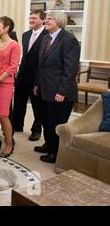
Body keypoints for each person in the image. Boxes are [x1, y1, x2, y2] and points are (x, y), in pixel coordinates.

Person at [33, 10, 80, 163]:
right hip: (44, 88)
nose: (45, 21)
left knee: (56, 123)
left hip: (59, 91)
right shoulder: (46, 38)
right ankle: (49, 144)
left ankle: (56, 152)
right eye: (46, 18)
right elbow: (41, 66)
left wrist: (62, 91)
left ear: (59, 22)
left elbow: (70, 69)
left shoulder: (68, 40)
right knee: (45, 120)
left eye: (49, 19)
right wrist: (37, 84)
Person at [0, 17, 21, 157]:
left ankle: (9, 144)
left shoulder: (14, 45)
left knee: (3, 114)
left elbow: (13, 67)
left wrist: (0, 79)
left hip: (4, 84)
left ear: (6, 28)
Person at [12, 10, 48, 141]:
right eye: (30, 18)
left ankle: (36, 130)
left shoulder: (47, 35)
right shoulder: (25, 35)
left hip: (37, 76)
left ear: (42, 20)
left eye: (34, 18)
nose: (31, 20)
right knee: (19, 103)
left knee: (37, 106)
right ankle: (17, 125)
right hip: (23, 75)